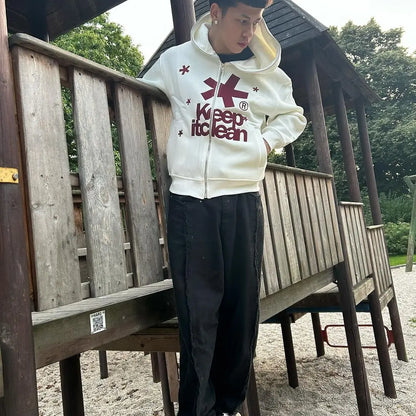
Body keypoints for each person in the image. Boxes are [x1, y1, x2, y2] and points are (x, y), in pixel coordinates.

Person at [142, 1, 306, 414]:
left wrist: (263, 143)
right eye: (241, 20)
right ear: (215, 12)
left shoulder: (265, 70)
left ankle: (228, 406)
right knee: (198, 314)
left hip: (242, 199)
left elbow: (293, 116)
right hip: (190, 203)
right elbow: (137, 92)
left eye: (256, 22)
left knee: (240, 309)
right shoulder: (176, 61)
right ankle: (197, 410)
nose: (249, 31)